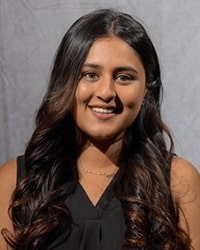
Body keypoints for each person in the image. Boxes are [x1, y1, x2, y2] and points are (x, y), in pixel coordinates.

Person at [0, 8, 200, 250]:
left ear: (147, 88)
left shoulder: (177, 181)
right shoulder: (16, 181)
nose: (106, 92)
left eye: (124, 77)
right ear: (65, 81)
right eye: (90, 74)